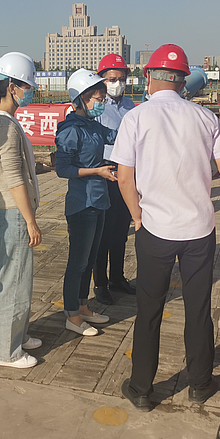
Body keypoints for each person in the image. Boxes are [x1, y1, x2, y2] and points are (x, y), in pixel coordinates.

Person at [110, 44, 220, 409]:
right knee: (198, 309)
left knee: (149, 310)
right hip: (199, 230)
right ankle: (200, 383)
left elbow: (124, 178)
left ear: (148, 77)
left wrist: (137, 217)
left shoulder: (136, 118)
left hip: (155, 230)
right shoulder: (205, 118)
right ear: (184, 82)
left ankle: (141, 389)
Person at [0, 52, 43, 369]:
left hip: (10, 210)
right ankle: (7, 351)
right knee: (15, 280)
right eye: (26, 86)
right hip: (14, 212)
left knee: (18, 277)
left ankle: (17, 334)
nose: (29, 92)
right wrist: (30, 221)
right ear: (11, 87)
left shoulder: (2, 120)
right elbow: (14, 177)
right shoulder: (4, 125)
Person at [55, 69, 118, 336]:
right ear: (82, 99)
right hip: (82, 203)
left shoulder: (93, 125)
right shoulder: (71, 130)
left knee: (90, 259)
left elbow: (115, 136)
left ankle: (82, 306)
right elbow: (62, 169)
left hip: (99, 200)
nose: (102, 103)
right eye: (98, 99)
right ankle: (71, 314)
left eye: (103, 98)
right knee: (78, 262)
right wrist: (97, 171)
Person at [92, 54, 137, 305]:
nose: (117, 83)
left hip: (127, 173)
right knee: (104, 232)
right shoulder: (98, 106)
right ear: (102, 79)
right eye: (112, 79)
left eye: (121, 79)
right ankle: (100, 283)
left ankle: (117, 277)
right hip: (105, 171)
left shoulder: (131, 106)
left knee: (121, 230)